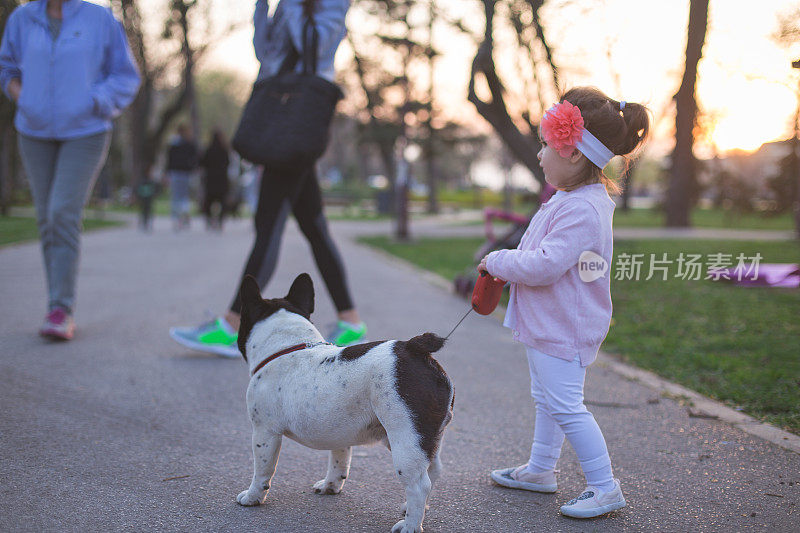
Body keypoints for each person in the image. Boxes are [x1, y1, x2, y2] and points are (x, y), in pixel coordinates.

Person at [479, 87, 649, 518]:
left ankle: (604, 486)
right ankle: (540, 469)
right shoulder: (570, 198)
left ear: (573, 153)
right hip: (550, 324)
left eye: (545, 146)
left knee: (566, 406)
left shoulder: (583, 209)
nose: (539, 156)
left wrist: (499, 259)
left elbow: (544, 265)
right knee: (548, 398)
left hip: (565, 327)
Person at [169, 0, 366, 357]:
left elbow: (319, 45)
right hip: (282, 119)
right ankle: (351, 320)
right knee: (314, 225)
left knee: (270, 224)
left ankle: (231, 326)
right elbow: (266, 54)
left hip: (298, 122)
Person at [0, 0, 140, 340]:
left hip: (85, 132)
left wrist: (95, 100)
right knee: (46, 218)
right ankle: (55, 305)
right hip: (34, 132)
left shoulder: (100, 19)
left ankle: (60, 309)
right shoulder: (22, 18)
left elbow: (125, 75)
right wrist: (25, 98)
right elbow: (7, 69)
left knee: (62, 211)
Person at [165, 123, 199, 231]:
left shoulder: (175, 144)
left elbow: (169, 160)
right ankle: (181, 216)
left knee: (177, 195)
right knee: (183, 196)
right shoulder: (187, 144)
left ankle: (178, 217)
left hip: (178, 172)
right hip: (184, 172)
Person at [199, 128, 230, 231]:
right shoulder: (224, 150)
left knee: (209, 200)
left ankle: (209, 219)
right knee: (222, 201)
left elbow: (202, 163)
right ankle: (220, 220)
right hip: (222, 179)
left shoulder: (209, 150)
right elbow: (228, 163)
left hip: (211, 179)